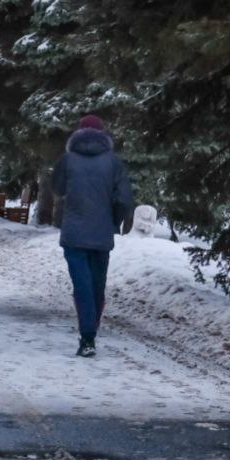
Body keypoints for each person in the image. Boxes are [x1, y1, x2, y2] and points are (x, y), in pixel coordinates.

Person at [50, 114, 134, 357]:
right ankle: (91, 331)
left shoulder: (67, 160)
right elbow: (124, 199)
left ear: (77, 133)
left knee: (82, 285)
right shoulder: (114, 163)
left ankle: (87, 338)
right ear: (103, 133)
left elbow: (58, 188)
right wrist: (113, 221)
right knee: (97, 285)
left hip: (74, 234)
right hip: (101, 235)